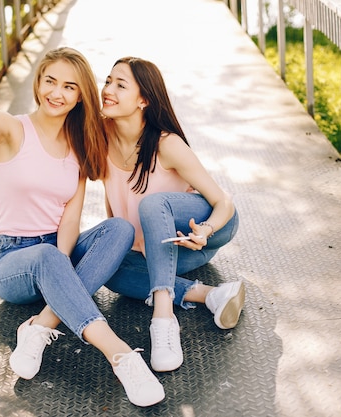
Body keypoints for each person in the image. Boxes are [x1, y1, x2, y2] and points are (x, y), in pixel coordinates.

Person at [0, 28, 165, 407]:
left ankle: (41, 326)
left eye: (70, 86)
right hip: (12, 262)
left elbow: (70, 220)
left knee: (119, 228)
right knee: (47, 256)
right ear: (38, 83)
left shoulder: (79, 145)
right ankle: (121, 355)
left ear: (81, 94)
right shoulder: (11, 130)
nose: (58, 92)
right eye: (50, 81)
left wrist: (63, 271)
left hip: (55, 252)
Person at [100, 56, 245, 373]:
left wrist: (205, 231)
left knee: (151, 205)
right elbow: (113, 201)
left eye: (120, 84)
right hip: (168, 251)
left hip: (205, 226)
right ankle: (212, 295)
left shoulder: (166, 144)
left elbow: (223, 202)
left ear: (144, 100)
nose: (108, 89)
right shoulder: (101, 137)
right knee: (111, 272)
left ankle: (163, 322)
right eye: (108, 81)